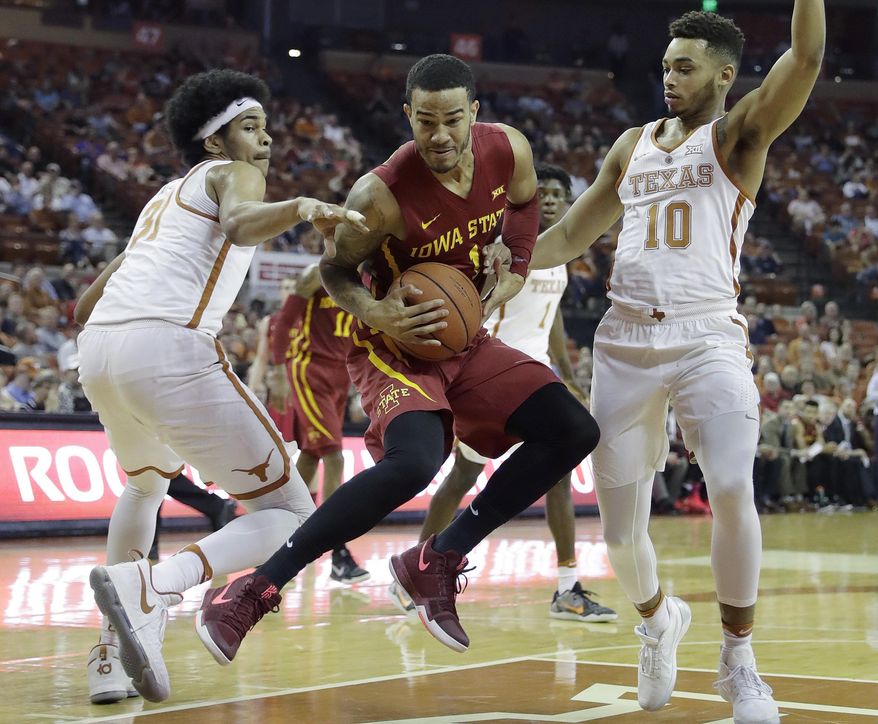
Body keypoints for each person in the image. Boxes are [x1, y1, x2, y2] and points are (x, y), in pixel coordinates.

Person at [196, 53, 600, 663]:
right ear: (408, 115)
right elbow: (334, 271)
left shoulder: (509, 150)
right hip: (395, 345)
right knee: (417, 462)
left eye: (453, 120)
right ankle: (254, 589)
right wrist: (378, 312)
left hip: (465, 339)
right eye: (425, 121)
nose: (439, 135)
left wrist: (515, 267)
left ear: (475, 115)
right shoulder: (379, 193)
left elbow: (522, 208)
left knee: (572, 430)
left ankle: (436, 556)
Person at [529, 6, 824, 722]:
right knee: (623, 536)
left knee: (729, 485)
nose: (669, 75)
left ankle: (739, 662)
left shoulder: (738, 135)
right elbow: (569, 232)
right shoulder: (631, 145)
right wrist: (495, 268)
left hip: (706, 338)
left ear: (725, 75)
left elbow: (807, 57)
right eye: (665, 64)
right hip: (624, 341)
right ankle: (659, 621)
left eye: (684, 65)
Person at [80, 69, 367, 704]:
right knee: (292, 512)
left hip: (99, 349)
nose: (263, 139)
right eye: (248, 126)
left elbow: (86, 304)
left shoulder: (160, 201)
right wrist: (298, 208)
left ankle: (110, 653)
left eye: (265, 126)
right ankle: (158, 587)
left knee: (143, 486)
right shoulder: (234, 174)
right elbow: (239, 224)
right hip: (165, 347)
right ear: (215, 142)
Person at [388, 164, 615, 623]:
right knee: (460, 480)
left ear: (569, 204)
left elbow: (550, 315)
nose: (549, 199)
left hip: (535, 378)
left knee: (557, 479)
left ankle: (568, 588)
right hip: (496, 377)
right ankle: (415, 570)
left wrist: (566, 370)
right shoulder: (504, 249)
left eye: (558, 194)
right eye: (543, 192)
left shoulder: (559, 253)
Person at [267, 263, 369, 584]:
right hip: (309, 368)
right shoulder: (316, 273)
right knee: (333, 457)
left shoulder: (366, 278)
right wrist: (278, 372)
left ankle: (275, 526)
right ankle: (338, 553)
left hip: (341, 374)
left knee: (311, 456)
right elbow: (283, 322)